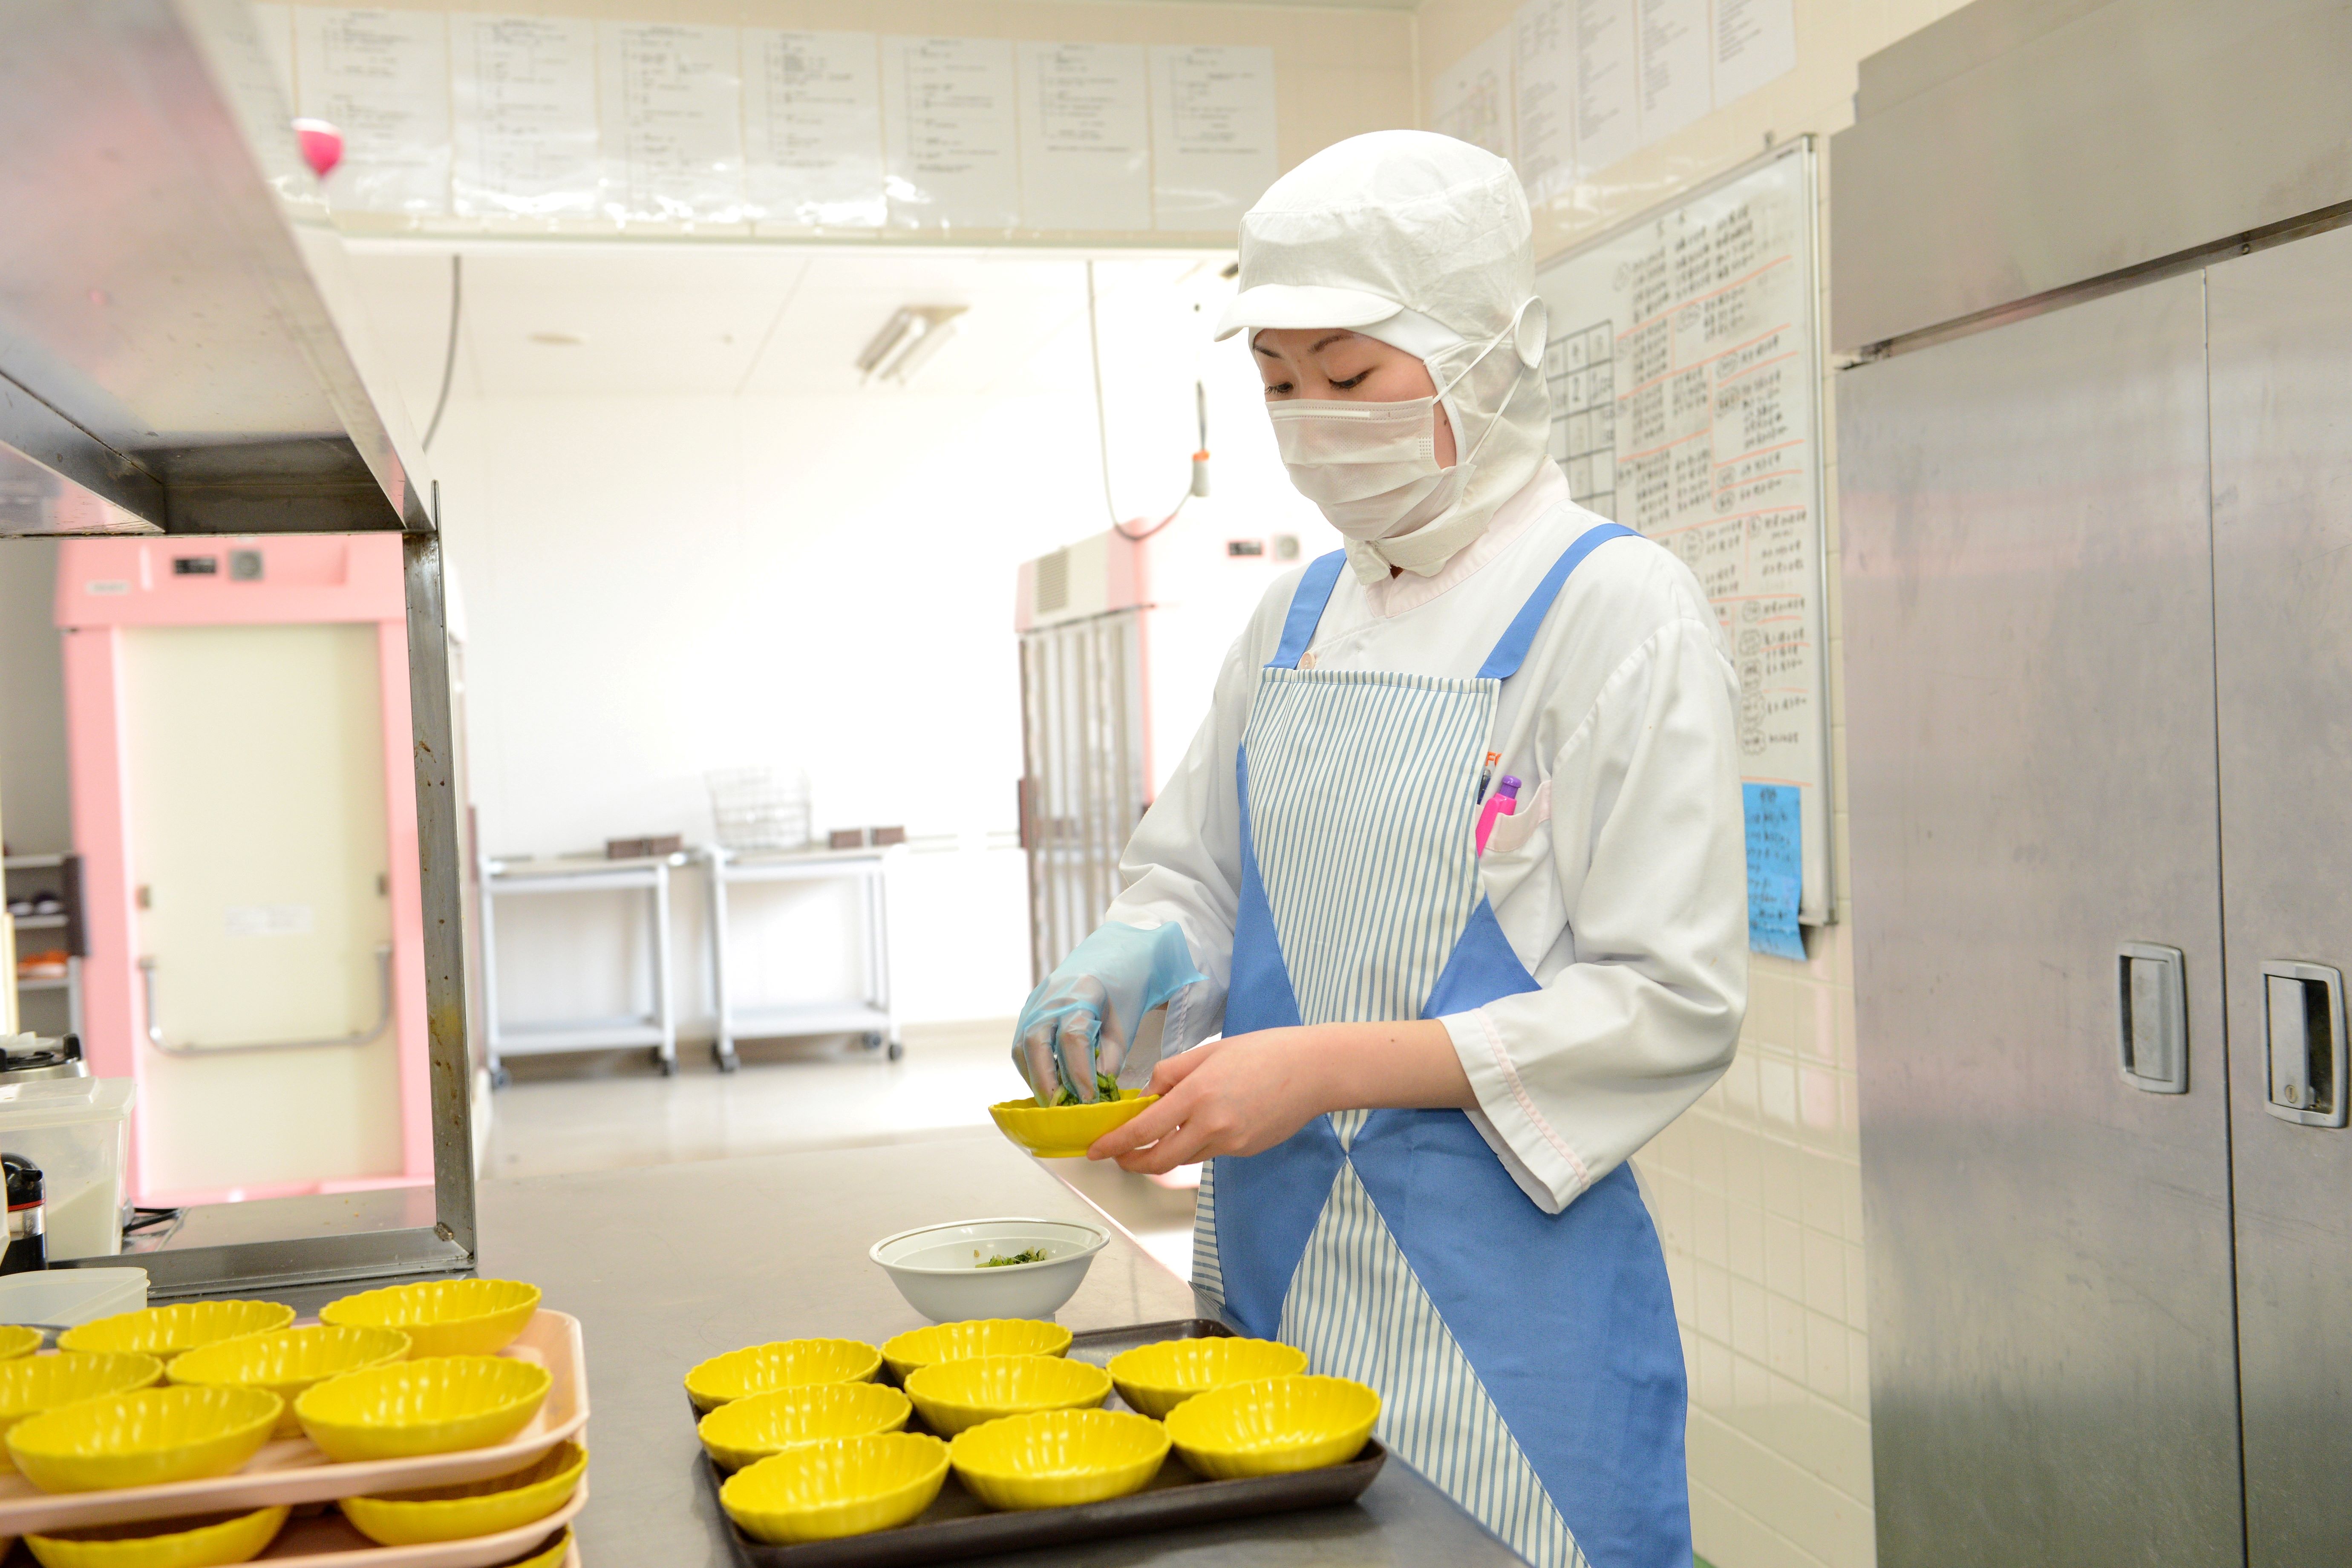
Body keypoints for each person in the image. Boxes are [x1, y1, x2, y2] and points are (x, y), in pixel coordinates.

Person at [1013, 130, 1746, 1568]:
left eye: (1348, 376)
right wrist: (1139, 950)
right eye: (1280, 381)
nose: (1310, 418)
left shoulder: (1619, 611)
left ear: (1488, 353)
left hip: (1510, 1311)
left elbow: (1671, 999)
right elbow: (1202, 878)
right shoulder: (1292, 621)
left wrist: (1329, 1066)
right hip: (1278, 1279)